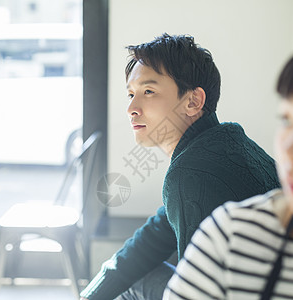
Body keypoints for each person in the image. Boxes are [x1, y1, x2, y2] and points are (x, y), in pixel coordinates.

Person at [164, 15, 293, 300]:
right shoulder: (231, 240)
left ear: (195, 100)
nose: (291, 151)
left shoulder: (197, 166)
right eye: (287, 119)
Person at [80, 33, 280, 300]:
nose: (131, 108)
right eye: (131, 93)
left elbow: (197, 294)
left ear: (193, 101)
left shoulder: (191, 173)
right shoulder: (228, 142)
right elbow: (154, 237)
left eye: (148, 91)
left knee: (135, 281)